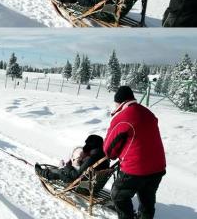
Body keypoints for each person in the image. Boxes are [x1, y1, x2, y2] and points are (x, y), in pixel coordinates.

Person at [104, 86, 166, 219]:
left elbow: (109, 150)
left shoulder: (123, 116)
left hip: (135, 169)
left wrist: (116, 154)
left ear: (119, 102)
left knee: (118, 194)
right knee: (147, 198)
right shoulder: (148, 113)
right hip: (158, 167)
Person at [35, 134, 109, 184]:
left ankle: (41, 172)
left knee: (61, 172)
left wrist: (67, 166)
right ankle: (53, 171)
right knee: (64, 170)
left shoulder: (91, 158)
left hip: (83, 186)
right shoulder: (104, 157)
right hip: (93, 184)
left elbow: (75, 176)